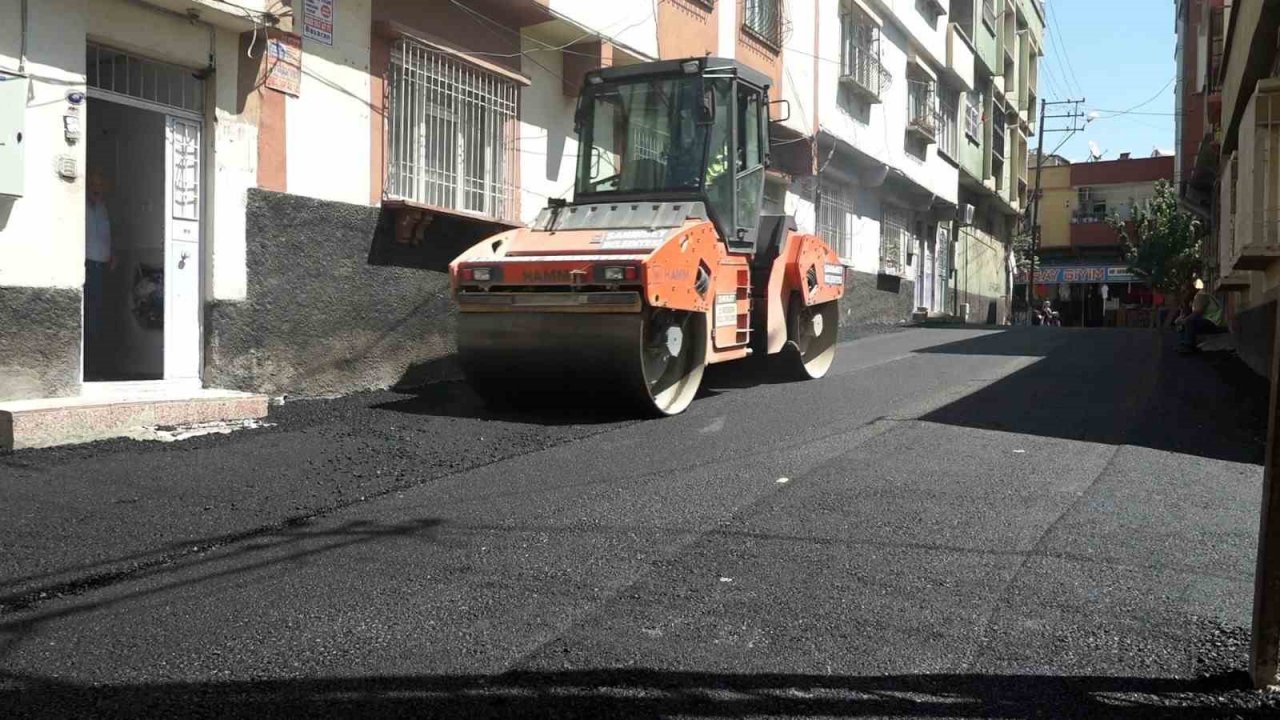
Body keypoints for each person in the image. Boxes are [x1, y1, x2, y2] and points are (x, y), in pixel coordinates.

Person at [84, 169, 114, 376]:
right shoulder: (82, 206)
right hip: (88, 266)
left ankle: (98, 367)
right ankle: (89, 368)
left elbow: (107, 235)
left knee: (101, 315)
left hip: (103, 267)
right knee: (90, 315)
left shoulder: (104, 207)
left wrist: (113, 253)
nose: (97, 188)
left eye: (100, 185)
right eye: (94, 184)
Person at [1177, 289, 1224, 353]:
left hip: (1214, 322)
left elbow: (1197, 312)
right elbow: (1187, 314)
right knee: (1185, 321)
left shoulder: (1201, 295)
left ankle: (1189, 346)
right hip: (1209, 321)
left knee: (1189, 321)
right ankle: (1183, 343)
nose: (1183, 294)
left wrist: (1184, 320)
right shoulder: (1195, 299)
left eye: (1184, 291)